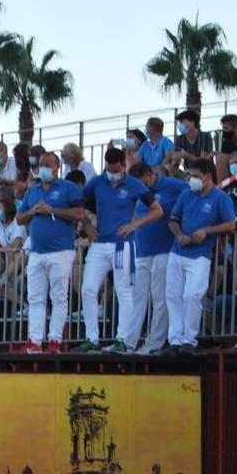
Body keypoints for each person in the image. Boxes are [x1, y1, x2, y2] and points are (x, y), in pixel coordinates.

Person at [76, 148, 162, 353]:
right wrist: (87, 224)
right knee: (88, 289)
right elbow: (78, 202)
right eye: (108, 169)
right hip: (99, 243)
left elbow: (158, 210)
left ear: (124, 166)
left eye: (115, 169)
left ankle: (123, 339)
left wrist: (134, 225)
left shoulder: (135, 184)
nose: (111, 173)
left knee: (124, 291)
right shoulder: (96, 182)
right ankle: (92, 338)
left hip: (122, 245)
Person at [15, 152, 86, 354]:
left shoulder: (68, 188)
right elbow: (20, 218)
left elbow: (80, 213)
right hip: (37, 252)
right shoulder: (33, 190)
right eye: (41, 164)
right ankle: (35, 341)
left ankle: (55, 340)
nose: (43, 168)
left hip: (60, 251)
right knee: (35, 298)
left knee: (58, 297)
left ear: (57, 167)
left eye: (48, 164)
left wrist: (52, 210)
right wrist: (32, 212)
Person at [166, 159, 237, 353]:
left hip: (200, 255)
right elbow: (173, 220)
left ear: (207, 177)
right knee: (173, 296)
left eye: (195, 176)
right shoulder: (186, 194)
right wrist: (179, 235)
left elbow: (231, 224)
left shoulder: (220, 198)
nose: (191, 179)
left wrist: (207, 231)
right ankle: (175, 340)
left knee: (192, 295)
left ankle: (190, 339)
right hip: (177, 251)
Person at [130, 163, 189, 354]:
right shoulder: (140, 191)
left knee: (159, 298)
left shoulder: (172, 186)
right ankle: (128, 342)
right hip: (142, 251)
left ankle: (154, 343)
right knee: (136, 297)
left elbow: (193, 197)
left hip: (163, 250)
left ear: (149, 176)